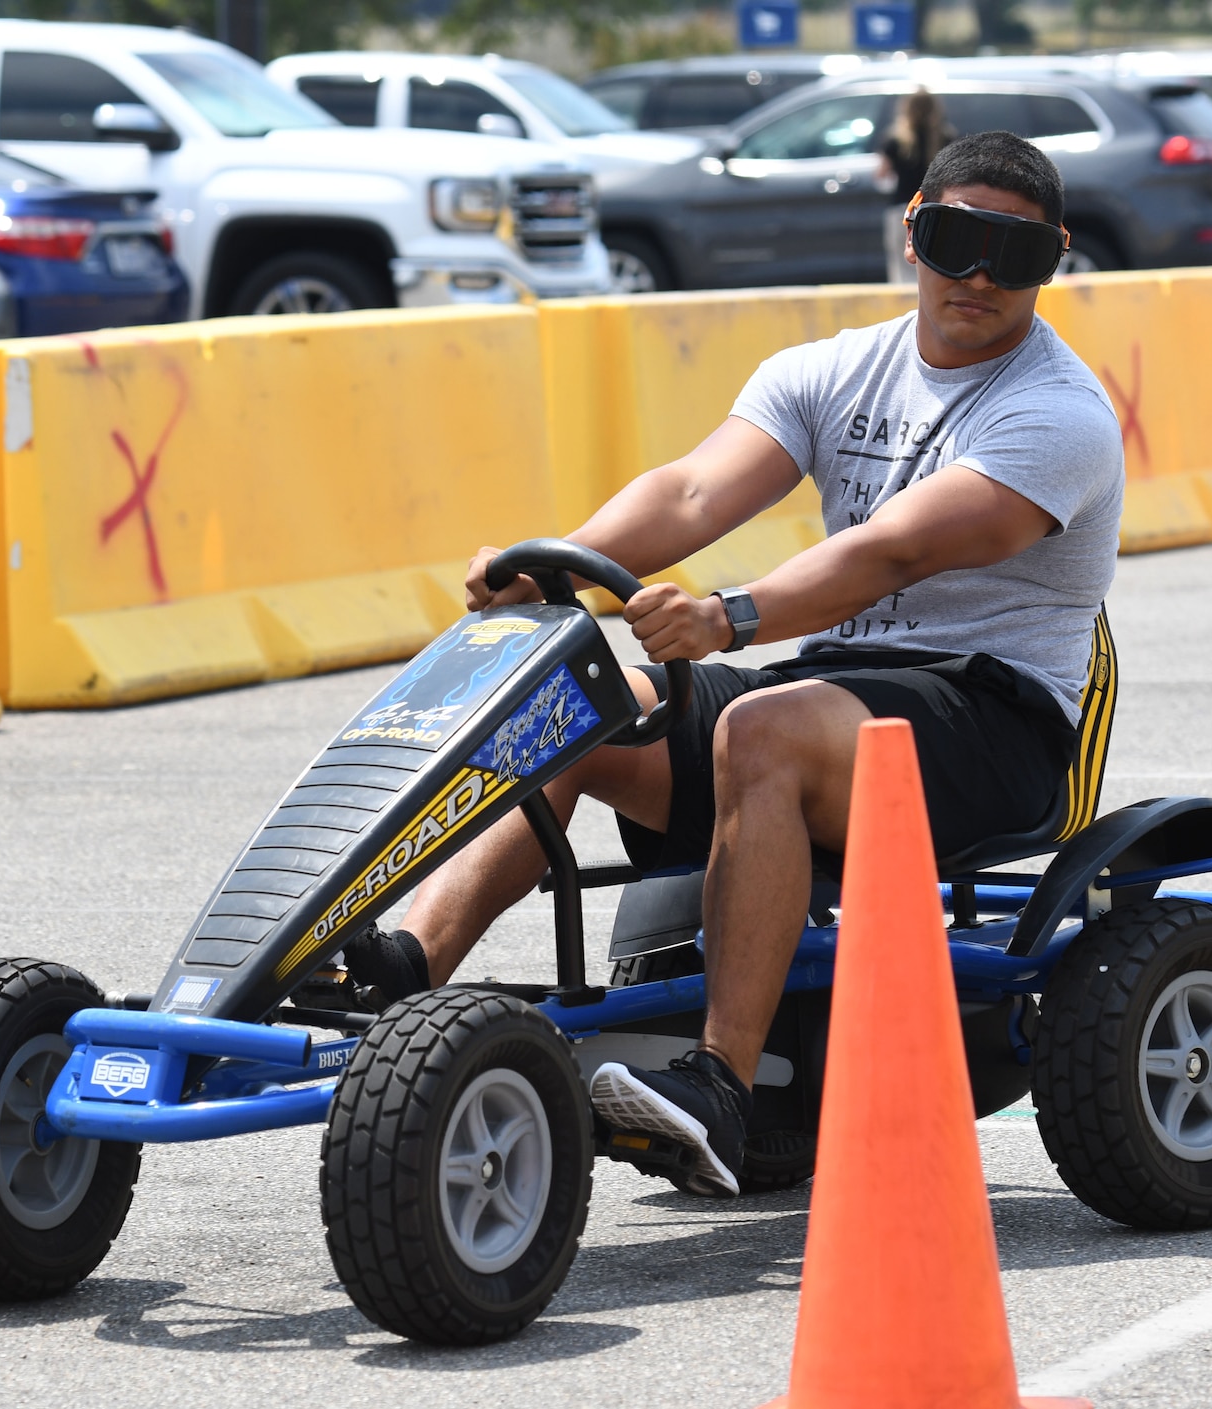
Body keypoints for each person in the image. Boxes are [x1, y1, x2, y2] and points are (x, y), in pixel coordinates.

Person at [342, 131, 1125, 1198]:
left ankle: (719, 1081)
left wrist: (729, 614)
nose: (978, 274)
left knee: (760, 727)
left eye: (1013, 252)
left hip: (991, 718)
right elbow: (694, 492)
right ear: (911, 234)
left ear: (1053, 258)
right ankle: (408, 967)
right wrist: (546, 568)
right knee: (573, 699)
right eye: (954, 239)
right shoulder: (831, 369)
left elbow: (895, 547)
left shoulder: (1060, 413)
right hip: (840, 692)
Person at [876, 89, 954, 285]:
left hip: (903, 207)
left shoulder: (896, 139)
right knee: (934, 265)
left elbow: (881, 174)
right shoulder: (945, 137)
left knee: (901, 267)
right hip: (935, 209)